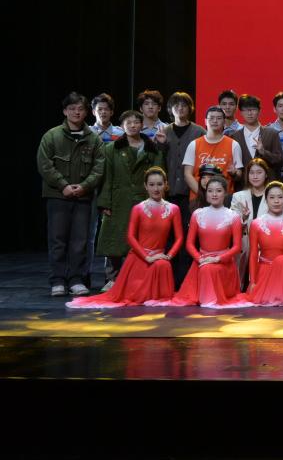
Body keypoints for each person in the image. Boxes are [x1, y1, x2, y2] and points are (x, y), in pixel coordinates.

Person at [69, 168, 182, 308]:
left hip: (160, 258)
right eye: (152, 185)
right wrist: (147, 257)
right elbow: (130, 237)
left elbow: (179, 238)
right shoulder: (138, 208)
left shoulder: (173, 209)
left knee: (162, 265)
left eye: (159, 184)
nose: (156, 188)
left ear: (165, 185)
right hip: (140, 258)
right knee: (135, 297)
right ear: (145, 186)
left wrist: (168, 256)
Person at [38, 92, 105, 297]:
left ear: (86, 112)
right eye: (72, 108)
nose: (77, 112)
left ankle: (76, 279)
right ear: (65, 111)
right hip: (58, 196)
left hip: (83, 197)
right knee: (58, 240)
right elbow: (44, 164)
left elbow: (99, 168)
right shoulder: (52, 136)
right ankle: (58, 280)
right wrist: (63, 186)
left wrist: (84, 186)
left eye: (80, 109)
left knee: (80, 241)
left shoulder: (94, 139)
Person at [160, 175, 250, 308]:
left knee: (209, 270)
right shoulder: (198, 213)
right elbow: (189, 244)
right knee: (206, 269)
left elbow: (236, 247)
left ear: (225, 193)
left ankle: (210, 298)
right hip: (201, 262)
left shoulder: (233, 216)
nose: (214, 194)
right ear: (206, 193)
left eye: (218, 191)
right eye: (210, 191)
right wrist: (200, 259)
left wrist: (217, 259)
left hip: (223, 264)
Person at [94, 110, 161, 288]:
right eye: (128, 123)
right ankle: (112, 279)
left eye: (136, 122)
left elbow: (159, 176)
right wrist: (105, 202)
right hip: (118, 200)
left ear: (142, 125)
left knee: (142, 240)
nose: (132, 125)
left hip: (144, 200)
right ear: (122, 126)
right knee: (114, 240)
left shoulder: (151, 149)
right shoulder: (112, 148)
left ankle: (139, 278)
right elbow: (107, 177)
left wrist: (158, 202)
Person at [243, 181, 283, 306]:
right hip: (265, 271)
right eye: (272, 197)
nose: (276, 201)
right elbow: (253, 254)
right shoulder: (256, 224)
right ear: (266, 200)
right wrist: (253, 281)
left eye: (280, 197)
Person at [182, 105, 243, 206]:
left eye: (219, 118)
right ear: (205, 121)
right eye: (211, 118)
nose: (215, 121)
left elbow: (239, 175)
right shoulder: (194, 144)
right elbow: (187, 174)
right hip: (198, 199)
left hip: (224, 200)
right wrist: (204, 195)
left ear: (224, 122)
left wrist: (234, 173)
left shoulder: (234, 145)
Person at [230, 157, 273, 280]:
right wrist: (243, 218)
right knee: (239, 279)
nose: (255, 176)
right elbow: (231, 224)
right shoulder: (238, 196)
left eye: (259, 172)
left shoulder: (273, 195)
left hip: (265, 244)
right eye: (252, 173)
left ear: (266, 174)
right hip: (243, 243)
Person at [231, 94, 283, 173]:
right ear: (241, 112)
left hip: (268, 180)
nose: (249, 113)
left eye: (253, 109)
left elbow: (281, 162)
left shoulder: (272, 134)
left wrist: (264, 152)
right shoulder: (235, 136)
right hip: (244, 180)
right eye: (246, 110)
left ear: (259, 111)